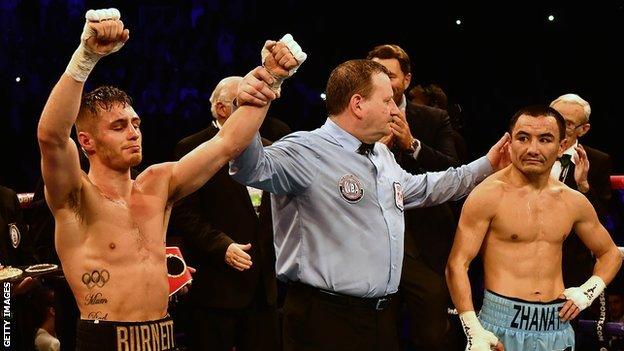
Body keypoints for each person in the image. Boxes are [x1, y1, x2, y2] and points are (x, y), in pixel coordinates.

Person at [36, 8, 303, 350]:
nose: (133, 133)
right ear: (86, 141)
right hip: (105, 339)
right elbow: (52, 137)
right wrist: (85, 58)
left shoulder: (158, 183)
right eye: (119, 127)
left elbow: (227, 143)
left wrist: (271, 77)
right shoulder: (75, 198)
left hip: (162, 337)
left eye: (136, 124)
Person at [229, 58, 510, 351]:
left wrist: (487, 165)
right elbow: (250, 167)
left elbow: (426, 188)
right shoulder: (306, 149)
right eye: (387, 100)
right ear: (358, 104)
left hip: (380, 318)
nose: (394, 109)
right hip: (323, 320)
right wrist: (249, 103)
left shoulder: (381, 155)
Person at [446, 105, 622, 351]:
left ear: (562, 146)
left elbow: (611, 253)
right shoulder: (488, 195)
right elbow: (457, 264)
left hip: (557, 325)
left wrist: (587, 292)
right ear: (509, 143)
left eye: (545, 139)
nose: (532, 149)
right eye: (523, 138)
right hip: (500, 324)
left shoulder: (571, 201)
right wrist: (472, 328)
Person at [168, 76, 289, 350]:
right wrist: (222, 246)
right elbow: (184, 215)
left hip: (264, 289)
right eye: (243, 102)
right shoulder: (191, 148)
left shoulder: (271, 147)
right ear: (222, 109)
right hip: (216, 288)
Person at [366, 44, 462, 349]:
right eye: (375, 73)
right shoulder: (355, 117)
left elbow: (453, 170)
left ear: (406, 79)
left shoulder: (433, 118)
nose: (382, 81)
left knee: (432, 335)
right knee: (380, 336)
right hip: (373, 246)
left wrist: (412, 145)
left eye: (389, 75)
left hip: (425, 244)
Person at [550, 94, 613, 289]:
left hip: (570, 264)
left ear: (583, 130)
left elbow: (603, 220)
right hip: (522, 257)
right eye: (554, 118)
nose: (558, 128)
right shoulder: (529, 154)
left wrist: (584, 186)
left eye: (567, 124)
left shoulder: (597, 161)